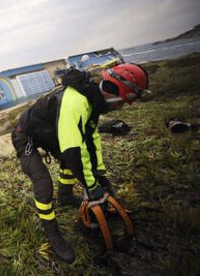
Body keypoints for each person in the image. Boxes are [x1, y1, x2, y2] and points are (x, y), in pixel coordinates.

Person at [11, 63, 149, 263]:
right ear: (118, 91)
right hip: (26, 137)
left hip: (51, 133)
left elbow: (91, 139)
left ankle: (65, 196)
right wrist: (90, 186)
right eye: (126, 101)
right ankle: (52, 232)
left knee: (71, 162)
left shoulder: (91, 101)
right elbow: (73, 150)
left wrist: (99, 174)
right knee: (43, 184)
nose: (124, 106)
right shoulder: (76, 101)